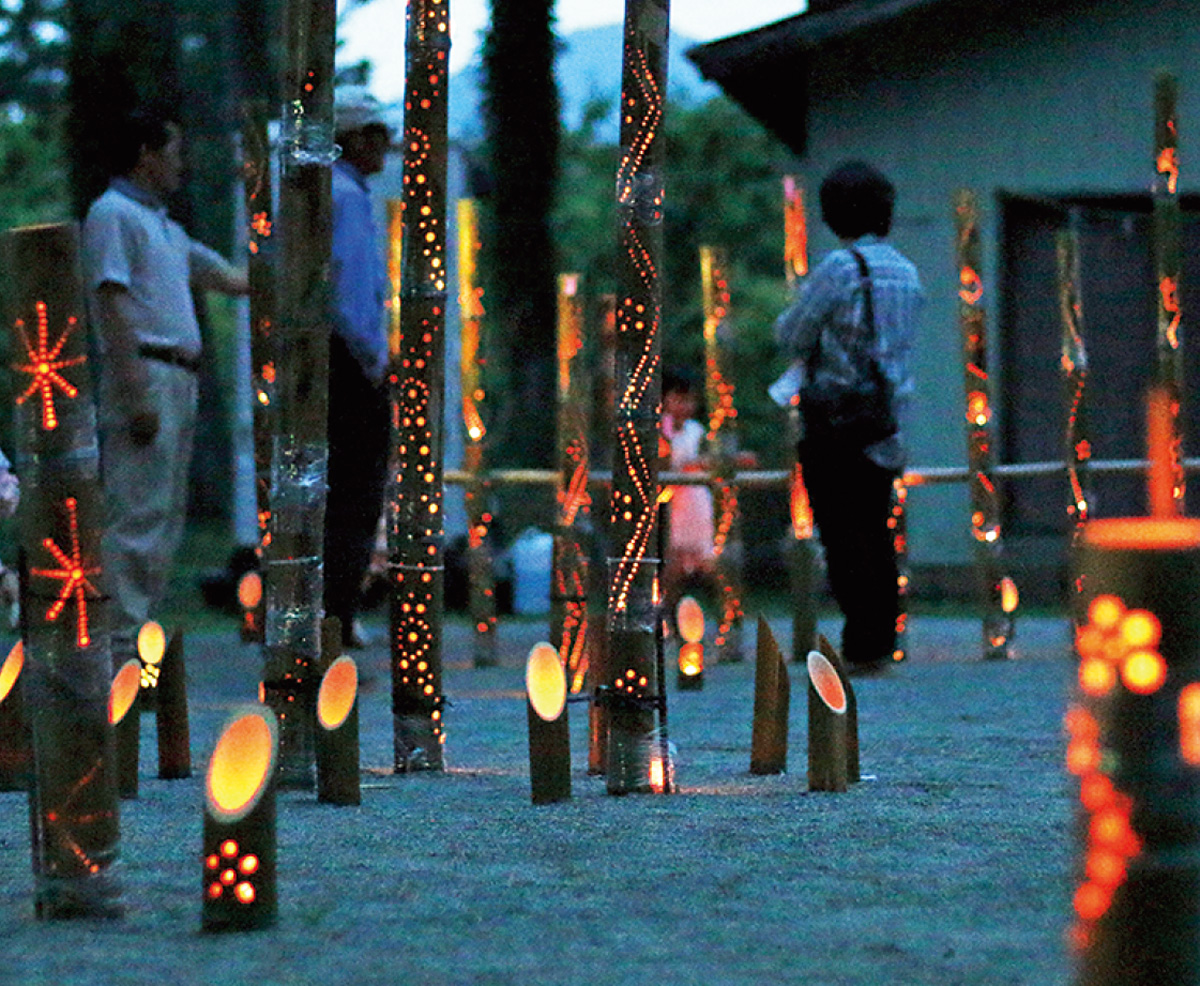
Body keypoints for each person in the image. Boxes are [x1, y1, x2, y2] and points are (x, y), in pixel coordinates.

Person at [82, 110, 247, 664]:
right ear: (146, 154)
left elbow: (227, 277)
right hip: (147, 371)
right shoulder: (113, 215)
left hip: (178, 375)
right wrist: (133, 391)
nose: (180, 164)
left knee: (164, 514)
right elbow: (111, 299)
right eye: (172, 152)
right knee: (137, 511)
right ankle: (115, 648)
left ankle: (134, 639)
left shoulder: (164, 227)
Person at [774, 161, 922, 675]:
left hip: (837, 419)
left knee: (841, 531)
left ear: (836, 213)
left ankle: (861, 638)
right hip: (887, 421)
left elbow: (791, 332)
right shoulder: (907, 271)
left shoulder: (840, 269)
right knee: (876, 529)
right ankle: (877, 638)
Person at [324, 86, 392, 648]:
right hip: (348, 357)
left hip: (342, 353)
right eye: (375, 133)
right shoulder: (344, 198)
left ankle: (336, 602)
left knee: (348, 486)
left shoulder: (345, 195)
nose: (385, 144)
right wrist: (374, 358)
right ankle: (337, 603)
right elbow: (350, 291)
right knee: (356, 486)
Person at [661, 369, 716, 615]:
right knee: (673, 566)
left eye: (689, 400)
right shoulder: (661, 428)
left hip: (698, 500)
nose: (685, 406)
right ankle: (664, 617)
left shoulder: (697, 430)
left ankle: (719, 616)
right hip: (673, 503)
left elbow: (709, 458)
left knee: (707, 561)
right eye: (679, 399)